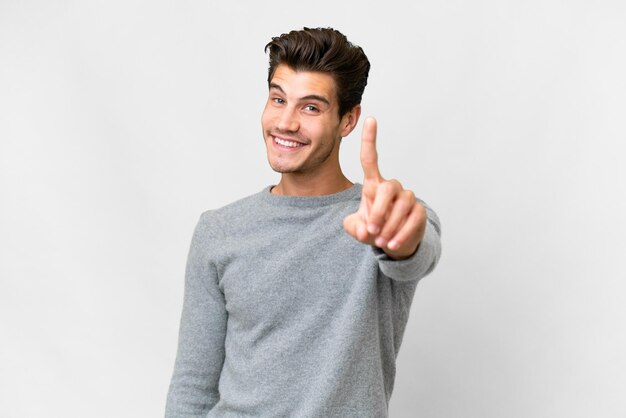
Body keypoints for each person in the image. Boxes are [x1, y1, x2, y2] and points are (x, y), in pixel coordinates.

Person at [165, 27, 442, 417]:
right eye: (278, 99)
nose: (286, 122)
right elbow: (192, 387)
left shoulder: (380, 217)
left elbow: (417, 248)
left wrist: (400, 235)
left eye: (311, 107)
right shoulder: (218, 230)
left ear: (348, 121)